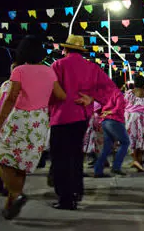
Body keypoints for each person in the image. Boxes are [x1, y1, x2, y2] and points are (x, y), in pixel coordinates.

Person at [0, 36, 67, 219]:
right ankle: (10, 203)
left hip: (20, 119)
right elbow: (61, 96)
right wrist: (44, 100)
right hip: (40, 122)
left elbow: (11, 97)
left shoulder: (20, 70)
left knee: (0, 156)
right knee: (21, 163)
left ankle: (16, 194)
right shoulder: (48, 71)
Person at [48, 35, 119, 210]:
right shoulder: (92, 67)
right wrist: (93, 99)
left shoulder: (57, 65)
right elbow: (111, 89)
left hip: (61, 117)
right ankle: (76, 192)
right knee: (75, 155)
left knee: (60, 158)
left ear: (65, 49)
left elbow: (51, 92)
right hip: (81, 116)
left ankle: (65, 198)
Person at [0, 62, 17, 196]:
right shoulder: (14, 85)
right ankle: (4, 182)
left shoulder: (5, 84)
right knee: (9, 155)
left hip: (1, 121)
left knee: (2, 152)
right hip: (11, 122)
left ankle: (1, 180)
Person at [124, 75, 144, 172]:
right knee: (141, 140)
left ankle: (136, 160)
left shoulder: (129, 93)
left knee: (132, 140)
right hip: (143, 118)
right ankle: (139, 162)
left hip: (131, 118)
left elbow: (124, 105)